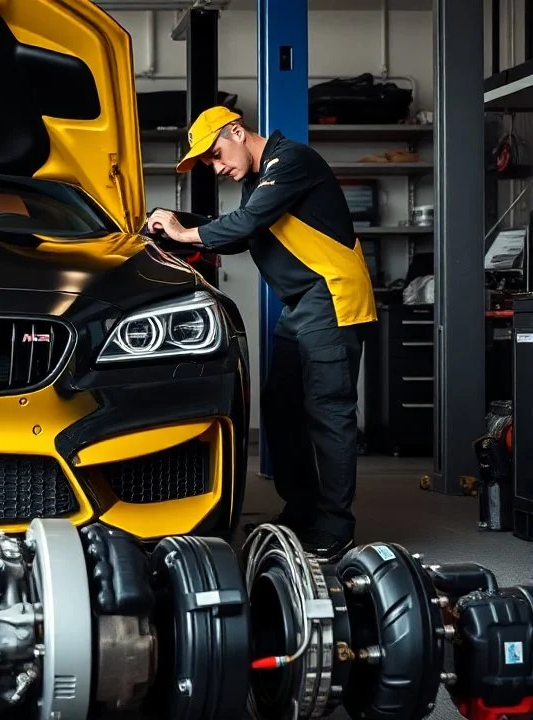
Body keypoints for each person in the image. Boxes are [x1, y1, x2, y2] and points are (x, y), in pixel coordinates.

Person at [145, 106, 377, 562]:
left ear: (236, 130)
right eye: (209, 162)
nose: (217, 166)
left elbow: (245, 225)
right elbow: (242, 235)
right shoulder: (260, 180)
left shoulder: (291, 161)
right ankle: (302, 509)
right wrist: (173, 229)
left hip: (331, 298)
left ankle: (334, 529)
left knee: (328, 412)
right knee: (279, 404)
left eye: (215, 154)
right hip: (302, 306)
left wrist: (182, 230)